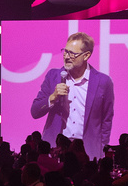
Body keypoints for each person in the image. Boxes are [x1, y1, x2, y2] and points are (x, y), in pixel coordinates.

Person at [30, 31, 114, 160]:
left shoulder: (103, 81)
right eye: (65, 51)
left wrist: (102, 148)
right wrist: (52, 97)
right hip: (56, 150)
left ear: (86, 56)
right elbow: (35, 112)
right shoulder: (53, 76)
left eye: (72, 53)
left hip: (87, 151)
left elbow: (106, 120)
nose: (67, 56)